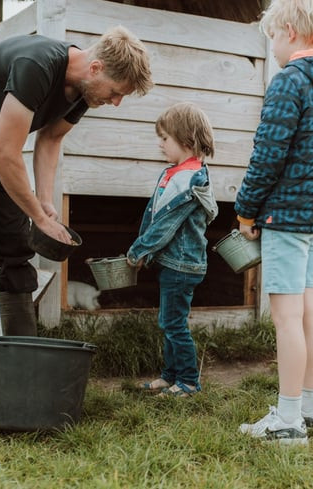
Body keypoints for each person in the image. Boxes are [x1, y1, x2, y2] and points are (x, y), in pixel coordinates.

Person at [0, 26, 153, 391]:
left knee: (14, 244)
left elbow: (50, 138)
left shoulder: (85, 92)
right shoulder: (37, 66)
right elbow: (4, 154)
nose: (116, 101)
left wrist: (44, 202)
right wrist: (39, 217)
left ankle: (19, 361)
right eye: (116, 92)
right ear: (96, 68)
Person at [235, 0, 313, 445]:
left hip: (286, 215)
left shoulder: (289, 81)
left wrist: (247, 209)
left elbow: (268, 155)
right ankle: (309, 406)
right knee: (308, 313)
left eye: (272, 39)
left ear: (288, 30)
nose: (273, 48)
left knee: (285, 318)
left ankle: (287, 422)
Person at [127, 102, 218, 397]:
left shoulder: (190, 178)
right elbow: (154, 215)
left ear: (186, 139)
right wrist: (146, 250)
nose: (160, 143)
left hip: (182, 264)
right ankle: (170, 376)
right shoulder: (175, 173)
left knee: (174, 323)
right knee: (168, 320)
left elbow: (167, 224)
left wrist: (140, 250)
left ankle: (189, 381)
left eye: (165, 138)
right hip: (172, 261)